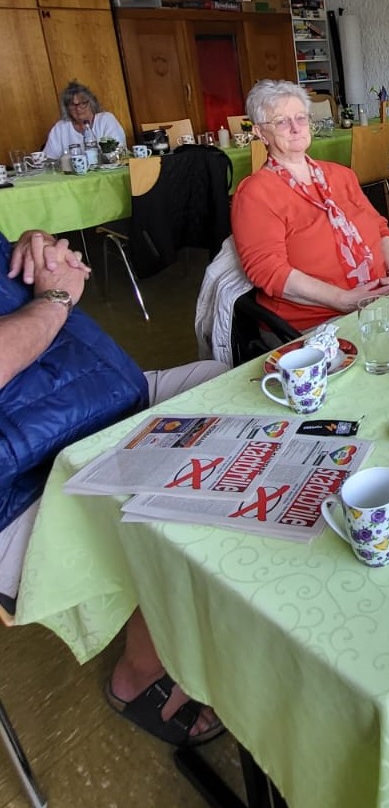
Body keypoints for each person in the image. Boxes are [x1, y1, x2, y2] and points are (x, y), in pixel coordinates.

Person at [0, 227, 228, 745]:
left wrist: (37, 247)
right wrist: (56, 297)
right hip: (24, 480)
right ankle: (138, 673)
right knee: (173, 496)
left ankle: (211, 611)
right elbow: (49, 301)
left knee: (235, 384)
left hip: (96, 398)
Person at [231, 80, 389, 332]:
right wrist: (342, 300)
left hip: (381, 301)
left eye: (301, 118)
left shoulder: (341, 175)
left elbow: (380, 229)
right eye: (281, 121)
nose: (295, 128)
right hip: (318, 322)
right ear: (259, 133)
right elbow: (269, 271)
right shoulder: (255, 193)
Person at [42, 80, 126, 158]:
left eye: (83, 103)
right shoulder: (60, 128)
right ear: (66, 108)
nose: (78, 108)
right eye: (72, 105)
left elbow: (117, 151)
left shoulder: (106, 119)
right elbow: (48, 159)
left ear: (91, 103)